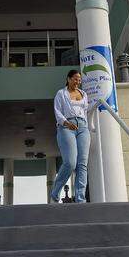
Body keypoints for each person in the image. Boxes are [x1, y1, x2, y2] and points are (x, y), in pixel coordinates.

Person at [49, 68, 90, 203]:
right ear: (68, 79)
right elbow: (57, 112)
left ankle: (80, 198)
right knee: (70, 162)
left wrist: (85, 125)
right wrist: (67, 123)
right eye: (75, 79)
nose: (78, 82)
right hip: (66, 127)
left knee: (82, 164)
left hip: (83, 127)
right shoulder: (61, 93)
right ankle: (55, 192)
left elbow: (85, 111)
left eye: (79, 80)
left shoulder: (83, 94)